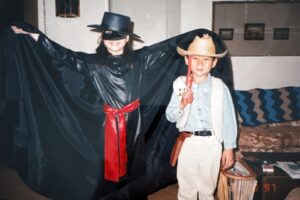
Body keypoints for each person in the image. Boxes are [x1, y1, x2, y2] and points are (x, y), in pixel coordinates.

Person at [3, 11, 233, 200]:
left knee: (135, 167)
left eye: (120, 38)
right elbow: (64, 56)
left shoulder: (141, 60)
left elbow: (166, 47)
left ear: (127, 39)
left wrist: (195, 36)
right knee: (108, 169)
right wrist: (37, 37)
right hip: (109, 123)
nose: (115, 42)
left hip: (134, 121)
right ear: (102, 38)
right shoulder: (93, 64)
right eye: (109, 38)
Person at [166, 33, 237, 200]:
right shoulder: (179, 85)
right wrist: (181, 104)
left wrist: (229, 147)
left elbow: (228, 119)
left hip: (211, 143)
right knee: (186, 187)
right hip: (188, 142)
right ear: (186, 60)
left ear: (214, 63)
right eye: (195, 58)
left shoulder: (220, 88)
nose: (199, 63)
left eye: (206, 59)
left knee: (207, 187)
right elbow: (170, 116)